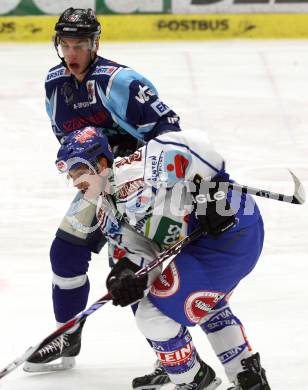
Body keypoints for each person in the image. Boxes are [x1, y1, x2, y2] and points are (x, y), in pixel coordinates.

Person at [23, 7, 180, 374]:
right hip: (100, 184)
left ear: (95, 44)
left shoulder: (121, 82)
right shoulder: (54, 83)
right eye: (66, 45)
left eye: (80, 45)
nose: (72, 54)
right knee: (65, 253)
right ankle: (68, 332)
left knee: (128, 272)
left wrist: (134, 166)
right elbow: (68, 139)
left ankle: (172, 356)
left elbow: (171, 133)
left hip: (142, 187)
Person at [52, 126, 271, 389]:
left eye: (79, 171)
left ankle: (193, 381)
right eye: (70, 175)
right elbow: (143, 253)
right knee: (203, 303)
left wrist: (213, 187)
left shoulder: (137, 170)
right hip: (207, 243)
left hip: (233, 229)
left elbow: (192, 144)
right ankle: (247, 377)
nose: (74, 181)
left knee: (152, 316)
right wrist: (129, 276)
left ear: (100, 163)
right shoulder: (106, 213)